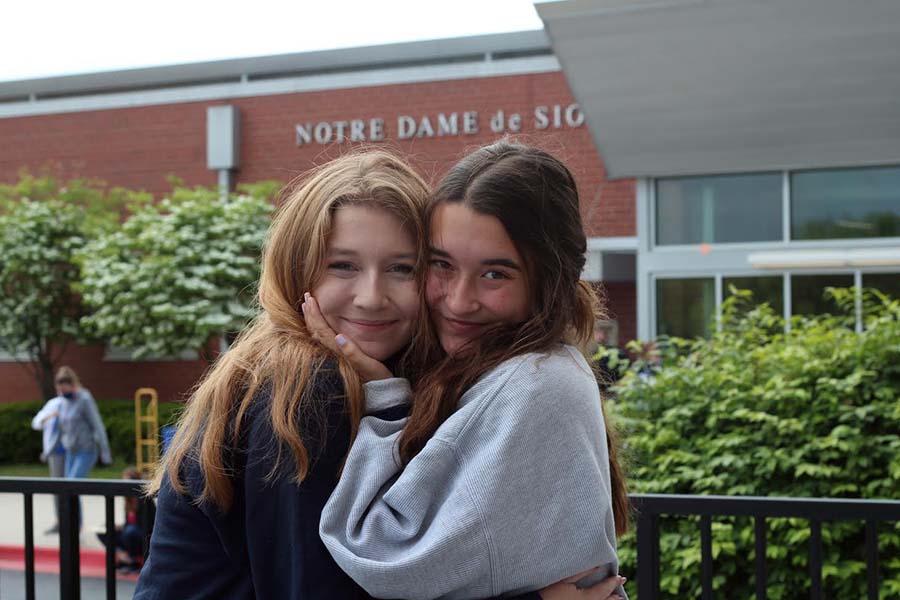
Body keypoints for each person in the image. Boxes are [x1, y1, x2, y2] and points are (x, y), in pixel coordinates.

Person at [134, 149, 619, 600]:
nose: (371, 296)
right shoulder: (307, 387)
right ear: (297, 270)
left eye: (403, 269)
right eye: (342, 266)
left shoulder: (395, 376)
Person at [313, 140, 629, 600]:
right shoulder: (496, 370)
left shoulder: (537, 385)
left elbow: (380, 556)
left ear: (548, 280)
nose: (459, 300)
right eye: (442, 265)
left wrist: (382, 398)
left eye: (495, 274)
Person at [54, 366, 113, 527]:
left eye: (64, 386)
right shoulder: (63, 402)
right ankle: (73, 523)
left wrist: (105, 452)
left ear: (73, 384)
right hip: (70, 452)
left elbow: (98, 425)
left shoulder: (85, 399)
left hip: (86, 451)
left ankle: (76, 526)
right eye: (59, 387)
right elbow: (62, 427)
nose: (62, 390)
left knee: (73, 484)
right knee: (67, 488)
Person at [96, 467, 156, 574]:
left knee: (129, 531)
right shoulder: (128, 500)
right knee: (103, 530)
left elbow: (147, 524)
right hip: (130, 533)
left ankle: (133, 561)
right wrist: (119, 527)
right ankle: (123, 556)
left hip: (143, 535)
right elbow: (129, 522)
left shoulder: (145, 500)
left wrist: (125, 527)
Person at [31, 393, 66, 534]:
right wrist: (51, 416)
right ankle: (60, 521)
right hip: (55, 453)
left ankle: (74, 523)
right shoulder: (52, 404)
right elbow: (36, 423)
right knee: (58, 489)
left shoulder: (78, 401)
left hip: (71, 452)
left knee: (73, 488)